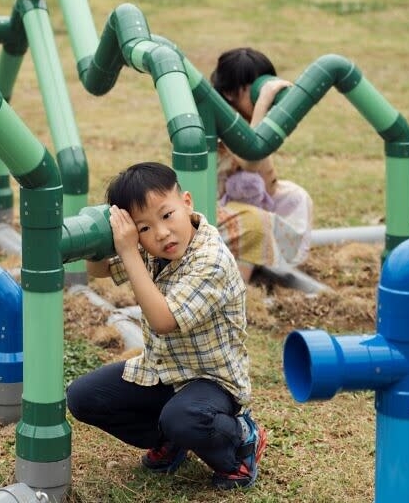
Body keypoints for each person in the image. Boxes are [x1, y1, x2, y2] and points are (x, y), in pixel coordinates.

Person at [66, 162, 267, 490]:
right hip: (164, 372)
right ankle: (171, 440)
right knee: (83, 397)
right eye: (143, 228)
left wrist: (130, 250)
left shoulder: (210, 259)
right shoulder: (148, 249)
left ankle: (241, 441)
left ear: (186, 203)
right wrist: (104, 232)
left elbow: (163, 321)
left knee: (184, 418)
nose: (160, 233)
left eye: (166, 215)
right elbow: (99, 270)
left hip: (212, 381)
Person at [210, 47, 314, 282]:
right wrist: (263, 104)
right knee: (256, 220)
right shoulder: (217, 121)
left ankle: (264, 262)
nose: (260, 93)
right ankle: (238, 290)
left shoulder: (253, 120)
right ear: (229, 93)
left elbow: (268, 183)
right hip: (213, 209)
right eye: (254, 89)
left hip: (245, 201)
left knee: (296, 198)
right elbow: (249, 157)